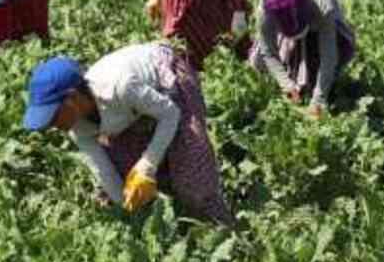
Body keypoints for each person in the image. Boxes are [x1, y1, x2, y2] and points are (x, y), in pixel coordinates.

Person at [23, 43, 234, 225]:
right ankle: (177, 218)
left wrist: (148, 164)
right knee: (126, 172)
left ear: (72, 98)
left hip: (168, 87)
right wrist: (128, 210)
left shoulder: (120, 86)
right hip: (131, 111)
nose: (51, 125)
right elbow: (103, 170)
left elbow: (170, 114)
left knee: (193, 177)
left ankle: (226, 230)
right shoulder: (77, 127)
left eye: (52, 117)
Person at [247, 0, 357, 118]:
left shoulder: (322, 4)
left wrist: (318, 100)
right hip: (287, 10)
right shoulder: (266, 11)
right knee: (260, 62)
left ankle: (319, 86)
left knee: (334, 52)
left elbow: (329, 55)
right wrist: (286, 85)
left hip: (318, 7)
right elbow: (268, 51)